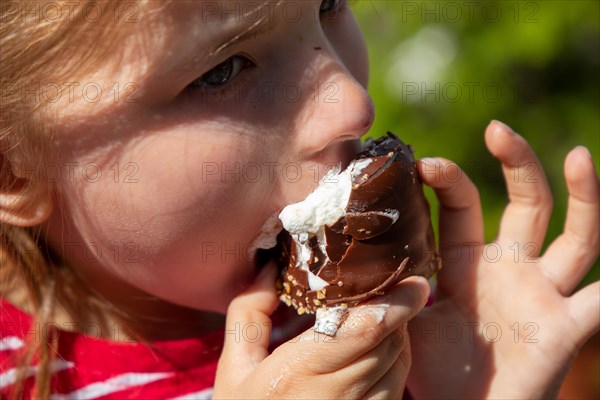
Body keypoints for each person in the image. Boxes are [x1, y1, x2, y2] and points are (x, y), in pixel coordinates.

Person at [0, 1, 597, 399]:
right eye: (222, 70)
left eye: (330, 2)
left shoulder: (389, 317)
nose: (352, 103)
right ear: (15, 171)